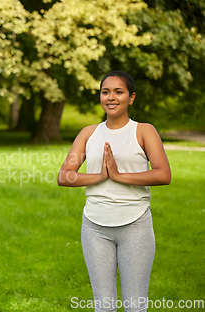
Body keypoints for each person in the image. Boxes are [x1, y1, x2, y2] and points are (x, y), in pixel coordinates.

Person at [57, 70, 171, 311]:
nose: (111, 97)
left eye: (119, 92)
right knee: (104, 305)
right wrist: (99, 176)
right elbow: (64, 176)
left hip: (135, 225)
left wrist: (119, 176)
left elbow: (163, 174)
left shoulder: (143, 131)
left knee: (134, 305)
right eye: (105, 92)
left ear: (131, 98)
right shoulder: (89, 134)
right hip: (95, 227)